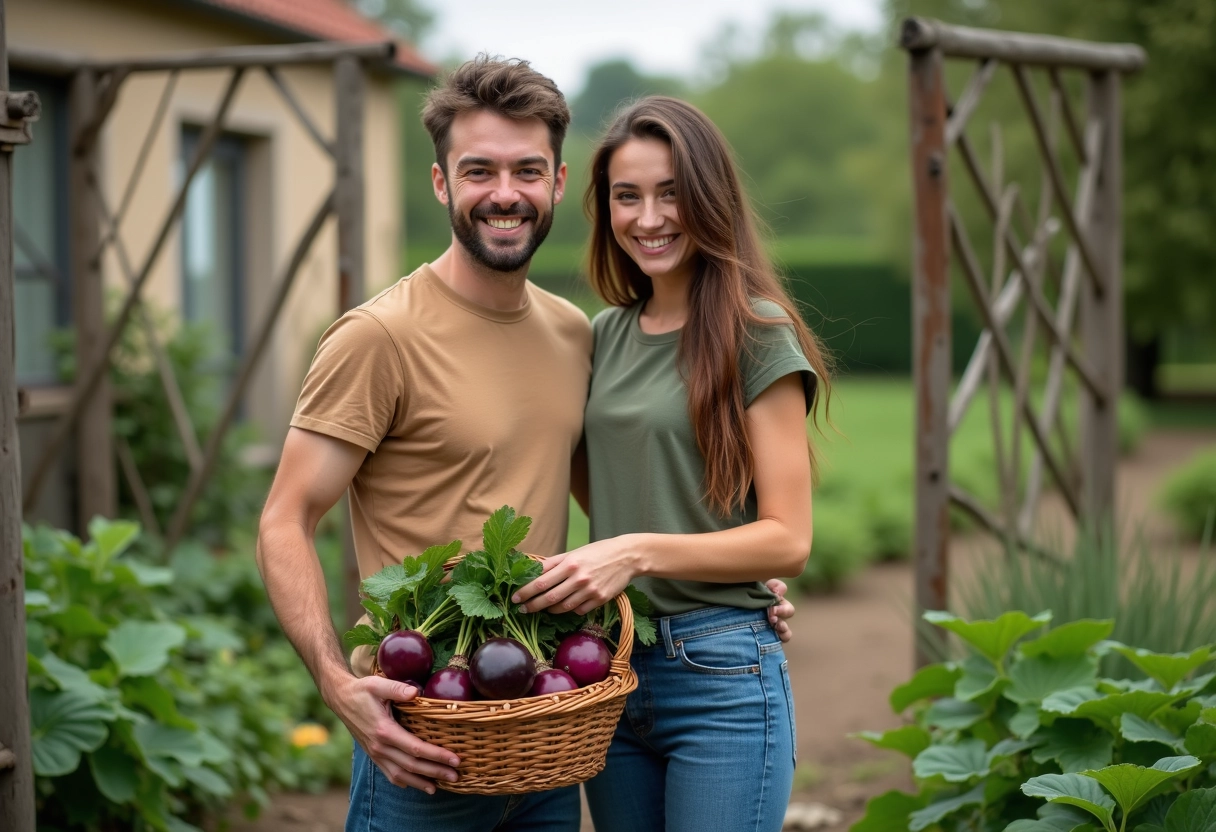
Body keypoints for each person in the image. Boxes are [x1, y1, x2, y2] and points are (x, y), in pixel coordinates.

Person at [256, 59, 796, 832]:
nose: (504, 193)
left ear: (556, 182)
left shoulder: (575, 334)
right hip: (428, 736)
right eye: (479, 170)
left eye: (526, 171)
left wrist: (733, 579)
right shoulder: (378, 337)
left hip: (550, 734)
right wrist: (337, 684)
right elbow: (284, 519)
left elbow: (604, 488)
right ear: (442, 183)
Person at [511, 96, 832, 832]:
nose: (648, 217)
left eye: (671, 193)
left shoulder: (756, 332)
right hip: (614, 665)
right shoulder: (606, 335)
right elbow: (611, 484)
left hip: (720, 673)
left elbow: (790, 539)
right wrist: (682, 545)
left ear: (710, 198)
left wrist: (639, 551)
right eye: (628, 196)